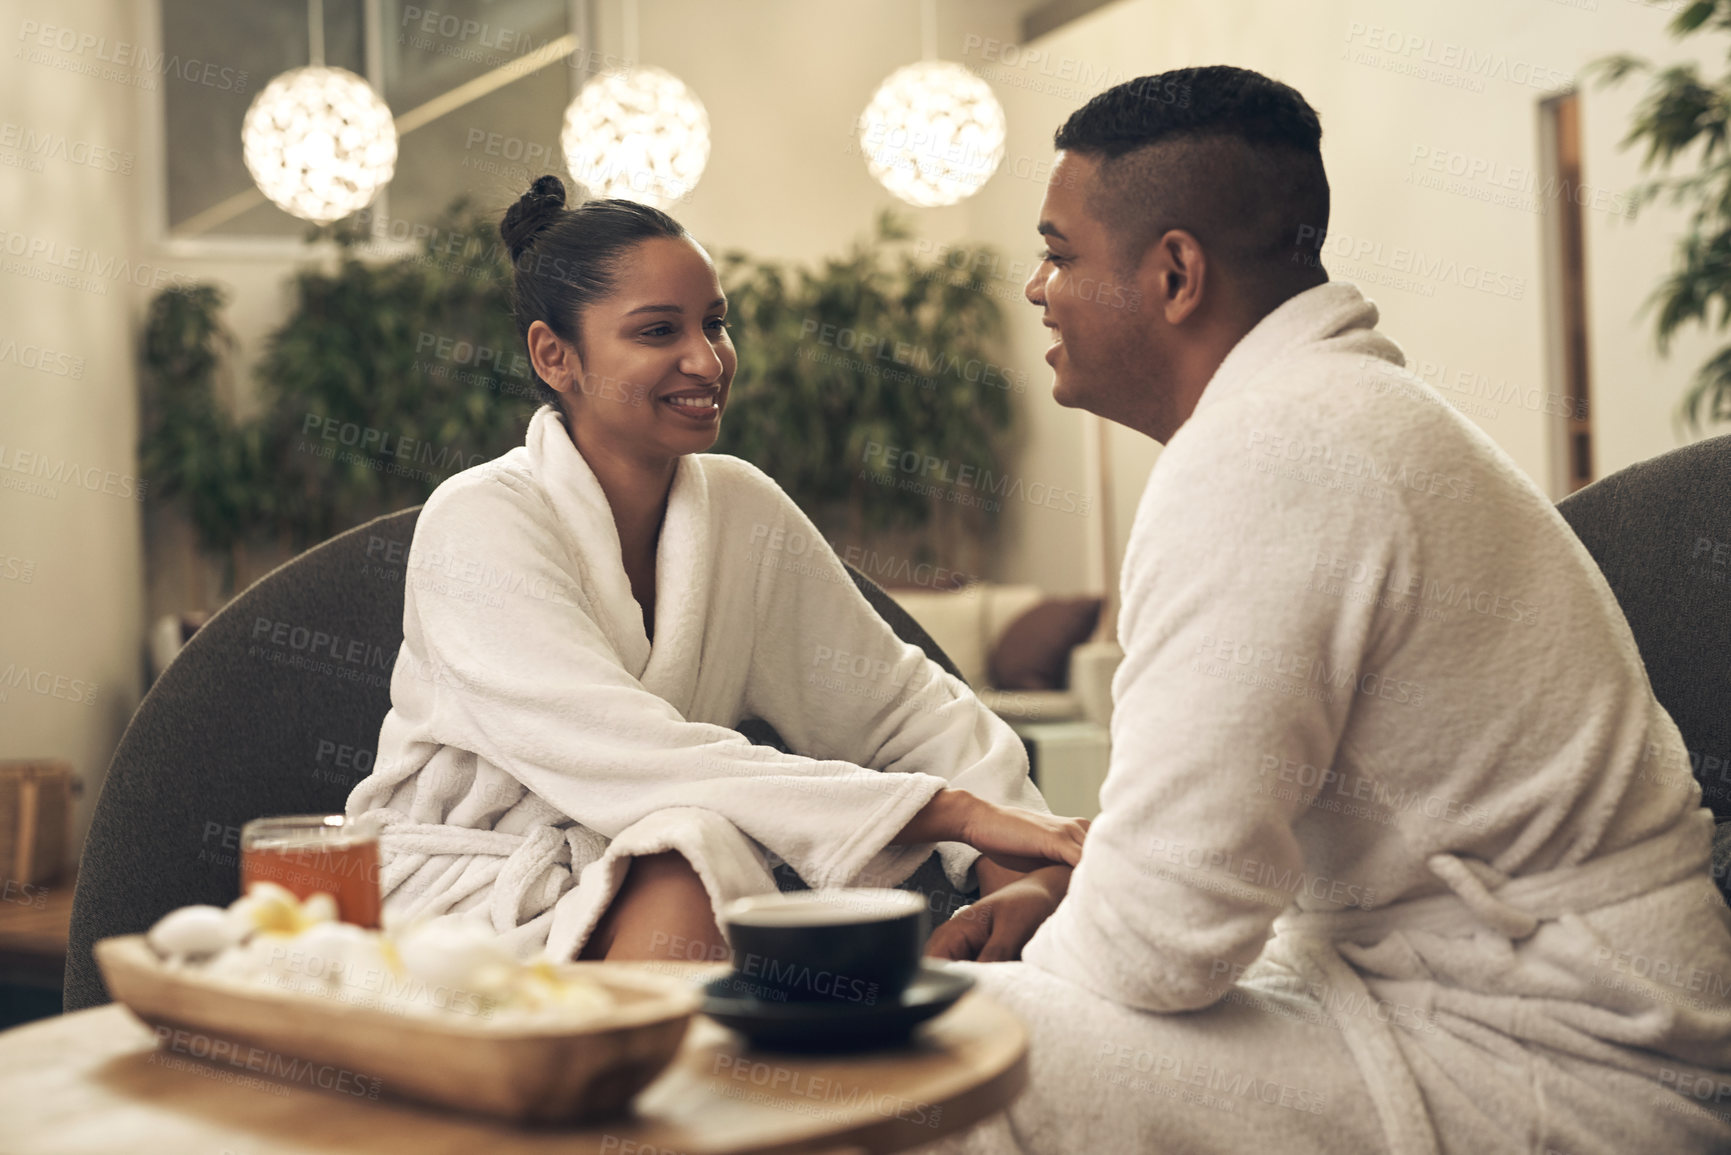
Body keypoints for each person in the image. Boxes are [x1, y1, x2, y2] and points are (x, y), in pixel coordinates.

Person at [923, 65, 1731, 1154]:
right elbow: (1205, 869)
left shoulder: (1270, 452)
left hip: (1572, 1063)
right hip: (1475, 1002)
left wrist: (1058, 958)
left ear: (1174, 274)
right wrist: (1082, 899)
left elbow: (1154, 952)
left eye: (1061, 255)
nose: (1036, 289)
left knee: (936, 1055)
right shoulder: (1329, 414)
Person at [345, 176, 1085, 964]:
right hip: (463, 898)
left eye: (716, 324)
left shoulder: (740, 509)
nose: (706, 359)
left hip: (655, 872)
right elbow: (619, 750)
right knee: (690, 840)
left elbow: (902, 707)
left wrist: (1022, 867)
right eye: (659, 331)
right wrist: (948, 813)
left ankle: (701, 1079)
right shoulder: (480, 518)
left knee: (685, 845)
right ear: (553, 355)